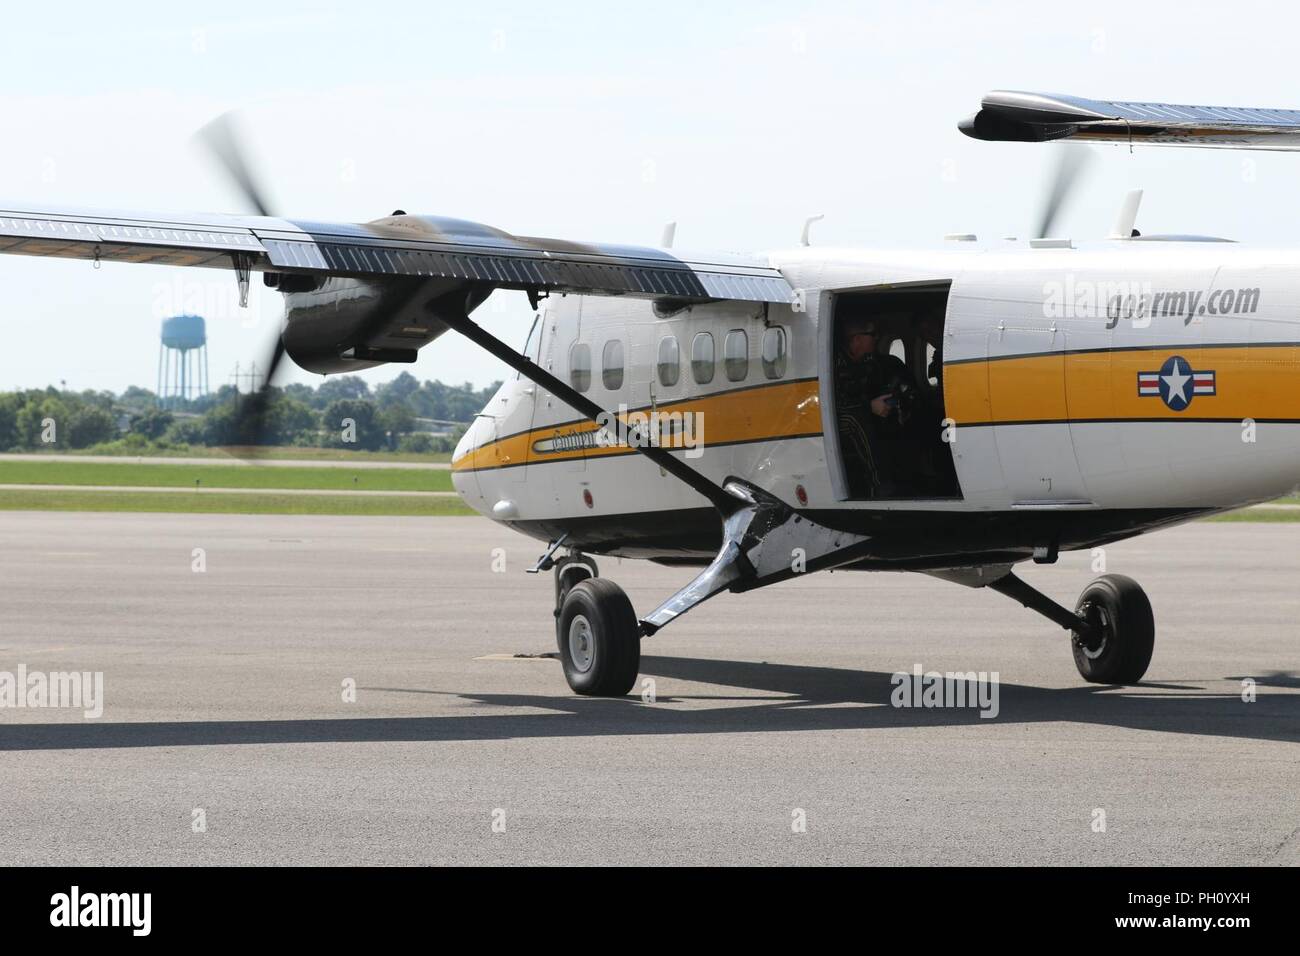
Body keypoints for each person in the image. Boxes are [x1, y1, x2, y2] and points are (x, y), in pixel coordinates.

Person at [835, 315, 915, 498]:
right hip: (833, 420)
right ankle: (879, 484)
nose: (877, 338)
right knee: (856, 420)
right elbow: (832, 404)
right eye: (872, 334)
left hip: (862, 409)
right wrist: (868, 407)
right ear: (856, 339)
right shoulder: (835, 363)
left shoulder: (869, 362)